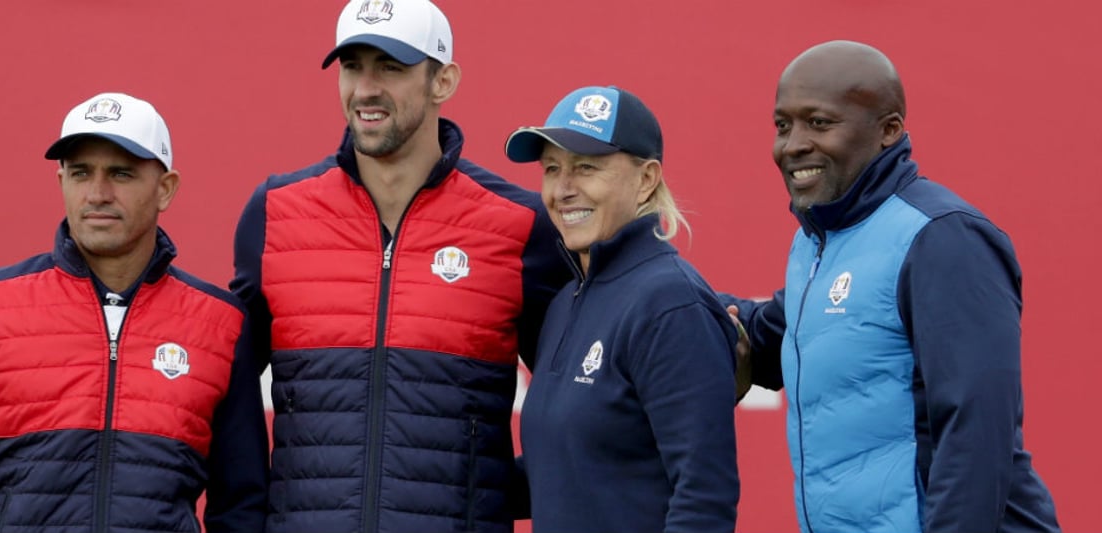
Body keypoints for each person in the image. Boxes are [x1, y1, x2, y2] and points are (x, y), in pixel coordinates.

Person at [229, 1, 570, 531]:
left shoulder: (519, 226)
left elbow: (580, 399)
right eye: (352, 66)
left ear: (444, 81)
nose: (365, 88)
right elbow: (218, 398)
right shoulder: (275, 211)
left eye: (390, 66)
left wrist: (489, 493)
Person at [0, 92, 269, 533]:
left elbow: (241, 506)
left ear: (165, 189)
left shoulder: (220, 324)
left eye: (121, 173)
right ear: (61, 183)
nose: (97, 193)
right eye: (80, 173)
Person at [724, 40, 1060, 532]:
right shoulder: (820, 243)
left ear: (888, 131)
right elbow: (768, 338)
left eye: (819, 123)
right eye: (783, 125)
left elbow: (976, 439)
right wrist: (643, 296)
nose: (792, 144)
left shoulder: (942, 238)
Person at [505, 85, 740, 533]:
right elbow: (563, 472)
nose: (563, 189)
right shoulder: (564, 302)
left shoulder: (670, 303)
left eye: (586, 168)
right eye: (552, 169)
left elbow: (703, 499)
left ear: (647, 178)